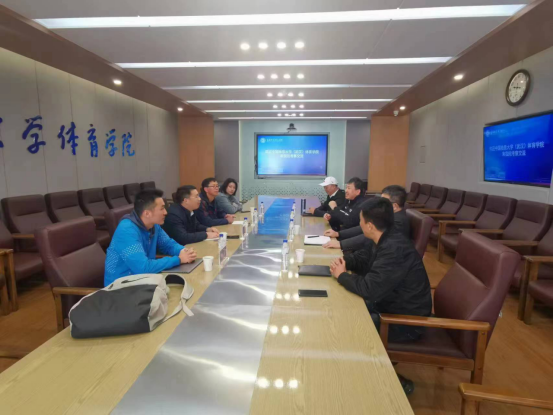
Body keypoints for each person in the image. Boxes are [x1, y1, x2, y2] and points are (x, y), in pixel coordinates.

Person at [329, 197, 432, 395]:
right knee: (342, 310)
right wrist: (344, 262)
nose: (359, 224)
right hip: (388, 304)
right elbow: (364, 259)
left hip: (404, 321)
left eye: (360, 221)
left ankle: (390, 383)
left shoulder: (394, 249)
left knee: (350, 326)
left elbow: (369, 289)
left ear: (369, 225)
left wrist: (342, 276)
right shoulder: (384, 237)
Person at [104, 189, 197, 286]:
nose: (165, 212)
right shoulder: (126, 230)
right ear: (147, 213)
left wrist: (183, 251)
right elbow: (143, 268)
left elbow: (167, 244)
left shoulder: (153, 225)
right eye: (162, 208)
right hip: (120, 286)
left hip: (144, 280)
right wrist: (178, 259)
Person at [323, 185, 410, 251]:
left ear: (394, 206)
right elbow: (363, 228)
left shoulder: (398, 221)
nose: (379, 204)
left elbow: (371, 237)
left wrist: (341, 244)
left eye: (383, 202)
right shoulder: (388, 215)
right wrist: (338, 234)